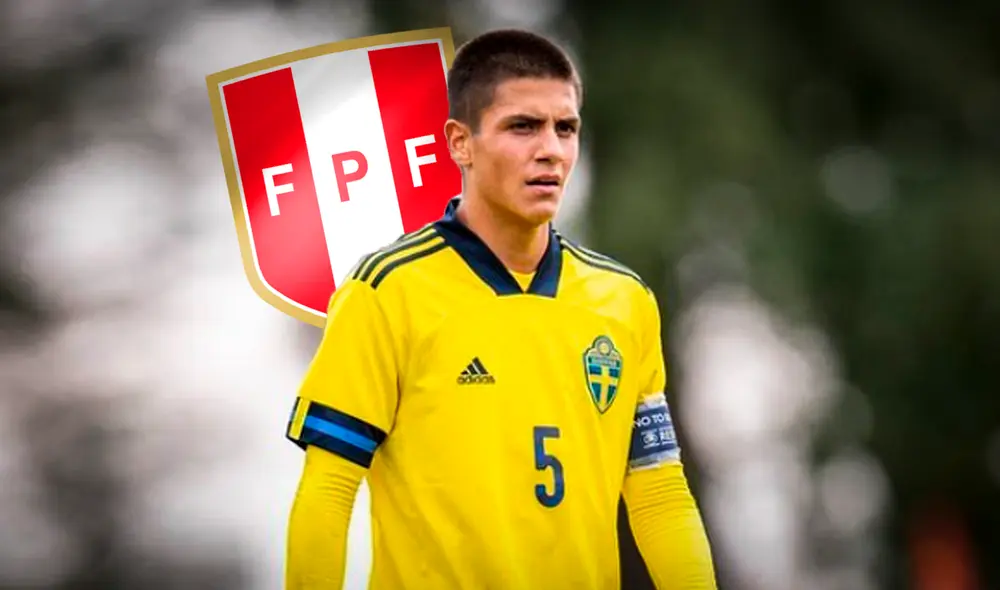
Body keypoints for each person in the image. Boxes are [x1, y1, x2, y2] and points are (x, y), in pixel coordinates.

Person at [284, 28, 717, 590]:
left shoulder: (624, 300)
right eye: (523, 126)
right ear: (460, 143)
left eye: (566, 128)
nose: (551, 149)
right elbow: (328, 489)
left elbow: (660, 494)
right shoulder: (386, 291)